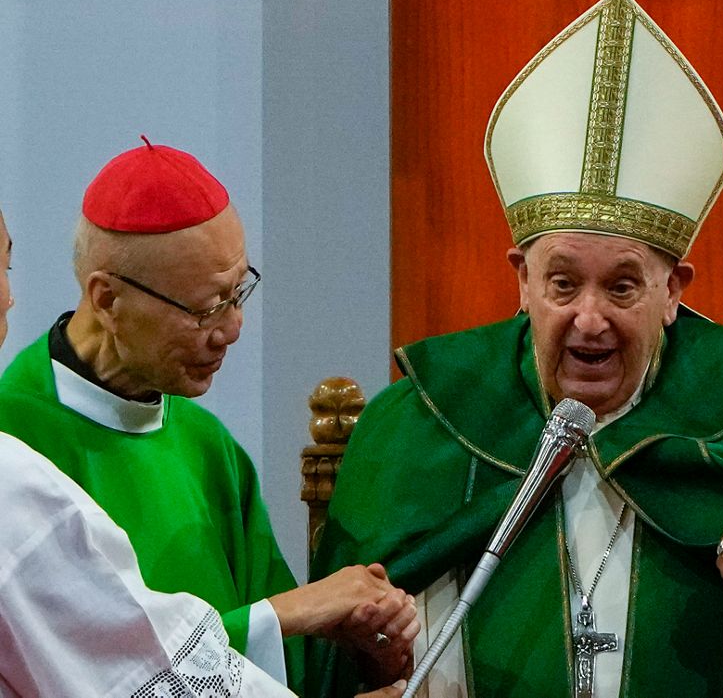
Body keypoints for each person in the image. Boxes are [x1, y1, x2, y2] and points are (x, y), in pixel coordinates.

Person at [308, 0, 723, 698]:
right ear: (521, 281)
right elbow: (334, 649)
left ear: (675, 290)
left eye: (624, 287)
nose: (591, 319)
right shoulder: (417, 424)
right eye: (563, 284)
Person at [0, 140, 419, 691]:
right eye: (205, 308)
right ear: (106, 300)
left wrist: (372, 645)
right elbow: (116, 671)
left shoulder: (207, 445)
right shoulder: (15, 450)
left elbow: (291, 671)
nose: (232, 328)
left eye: (238, 292)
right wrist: (286, 612)